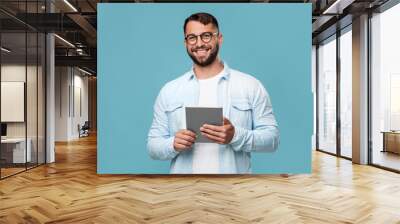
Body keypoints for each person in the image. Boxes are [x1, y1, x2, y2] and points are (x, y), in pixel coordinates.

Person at [147, 12, 279, 174]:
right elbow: (153, 146)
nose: (199, 43)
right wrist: (173, 143)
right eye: (192, 37)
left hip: (233, 190)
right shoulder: (169, 90)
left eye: (206, 36)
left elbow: (272, 140)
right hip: (183, 190)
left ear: (219, 38)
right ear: (185, 42)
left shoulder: (250, 85)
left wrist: (235, 136)